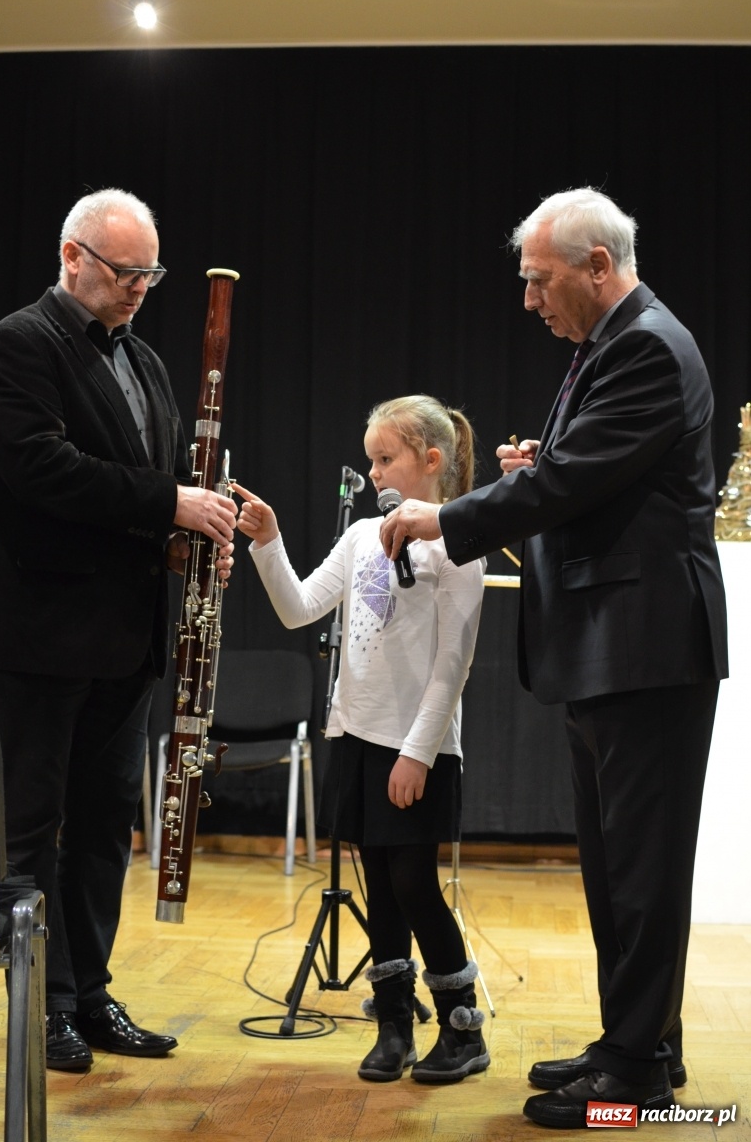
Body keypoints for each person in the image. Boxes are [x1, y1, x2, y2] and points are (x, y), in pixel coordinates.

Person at [380, 189, 728, 1128]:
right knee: (619, 868)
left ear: (597, 268)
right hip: (617, 646)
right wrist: (542, 468)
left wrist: (445, 516)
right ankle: (636, 1041)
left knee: (642, 873)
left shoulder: (647, 345)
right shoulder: (613, 344)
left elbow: (578, 484)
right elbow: (594, 476)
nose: (530, 300)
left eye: (540, 280)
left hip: (646, 648)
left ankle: (639, 1079)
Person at [0, 189, 237, 1072]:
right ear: (70, 255)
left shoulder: (149, 364)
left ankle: (88, 995)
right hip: (40, 633)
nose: (138, 289)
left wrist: (190, 539)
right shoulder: (17, 344)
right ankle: (36, 1006)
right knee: (31, 829)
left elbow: (145, 488)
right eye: (124, 273)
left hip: (125, 638)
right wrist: (169, 502)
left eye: (149, 274)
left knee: (101, 826)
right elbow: (40, 469)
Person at [234, 395, 490, 1084]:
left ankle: (463, 1029)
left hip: (415, 745)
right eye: (372, 458)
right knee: (378, 880)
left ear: (430, 461)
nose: (375, 473)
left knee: (412, 881)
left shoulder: (456, 545)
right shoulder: (358, 540)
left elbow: (452, 665)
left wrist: (416, 752)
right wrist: (268, 543)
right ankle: (395, 1026)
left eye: (387, 459)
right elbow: (297, 609)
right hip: (353, 732)